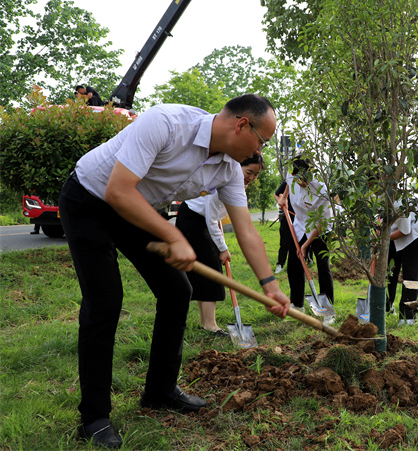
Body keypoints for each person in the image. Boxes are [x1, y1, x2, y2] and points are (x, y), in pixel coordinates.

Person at [58, 94, 290, 448]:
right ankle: (94, 417)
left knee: (177, 291)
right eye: (262, 141)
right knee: (105, 301)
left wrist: (270, 286)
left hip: (138, 208)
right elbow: (118, 190)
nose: (261, 151)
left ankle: (160, 390)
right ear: (242, 125)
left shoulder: (227, 169)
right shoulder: (167, 122)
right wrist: (172, 235)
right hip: (90, 199)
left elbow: (246, 230)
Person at [176, 155, 264, 337]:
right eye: (249, 172)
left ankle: (204, 322)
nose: (251, 177)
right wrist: (223, 249)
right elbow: (211, 218)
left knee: (206, 270)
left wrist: (220, 240)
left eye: (256, 175)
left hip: (202, 221)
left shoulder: (239, 185)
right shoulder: (222, 182)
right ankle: (210, 324)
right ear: (238, 166)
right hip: (193, 220)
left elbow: (219, 216)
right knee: (212, 270)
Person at [276, 157, 338, 323]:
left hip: (320, 229)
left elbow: (322, 222)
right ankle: (297, 304)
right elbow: (288, 183)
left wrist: (305, 245)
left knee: (323, 266)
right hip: (299, 224)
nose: (301, 182)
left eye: (305, 179)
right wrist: (284, 198)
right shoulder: (292, 176)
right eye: (298, 179)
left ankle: (328, 310)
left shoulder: (322, 190)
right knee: (294, 265)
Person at [386, 201, 418, 325]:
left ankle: (408, 316)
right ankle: (387, 306)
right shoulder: (375, 197)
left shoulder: (400, 201)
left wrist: (383, 239)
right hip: (395, 229)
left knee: (410, 274)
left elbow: (405, 231)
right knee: (389, 271)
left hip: (413, 232)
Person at [274, 179, 294, 274]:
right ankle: (280, 264)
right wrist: (281, 202)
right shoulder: (288, 182)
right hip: (287, 216)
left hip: (302, 217)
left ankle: (307, 260)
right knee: (284, 241)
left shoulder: (308, 182)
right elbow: (276, 194)